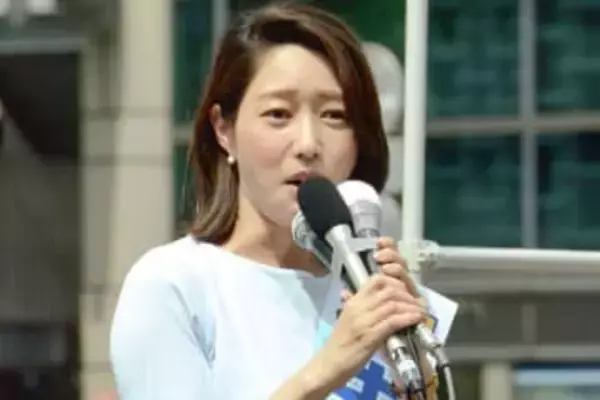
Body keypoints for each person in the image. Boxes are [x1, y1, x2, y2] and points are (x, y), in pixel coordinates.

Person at [110, 3, 437, 399]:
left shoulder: (379, 295)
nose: (308, 144)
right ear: (224, 129)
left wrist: (419, 380)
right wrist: (327, 370)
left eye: (334, 116)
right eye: (279, 114)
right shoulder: (173, 284)